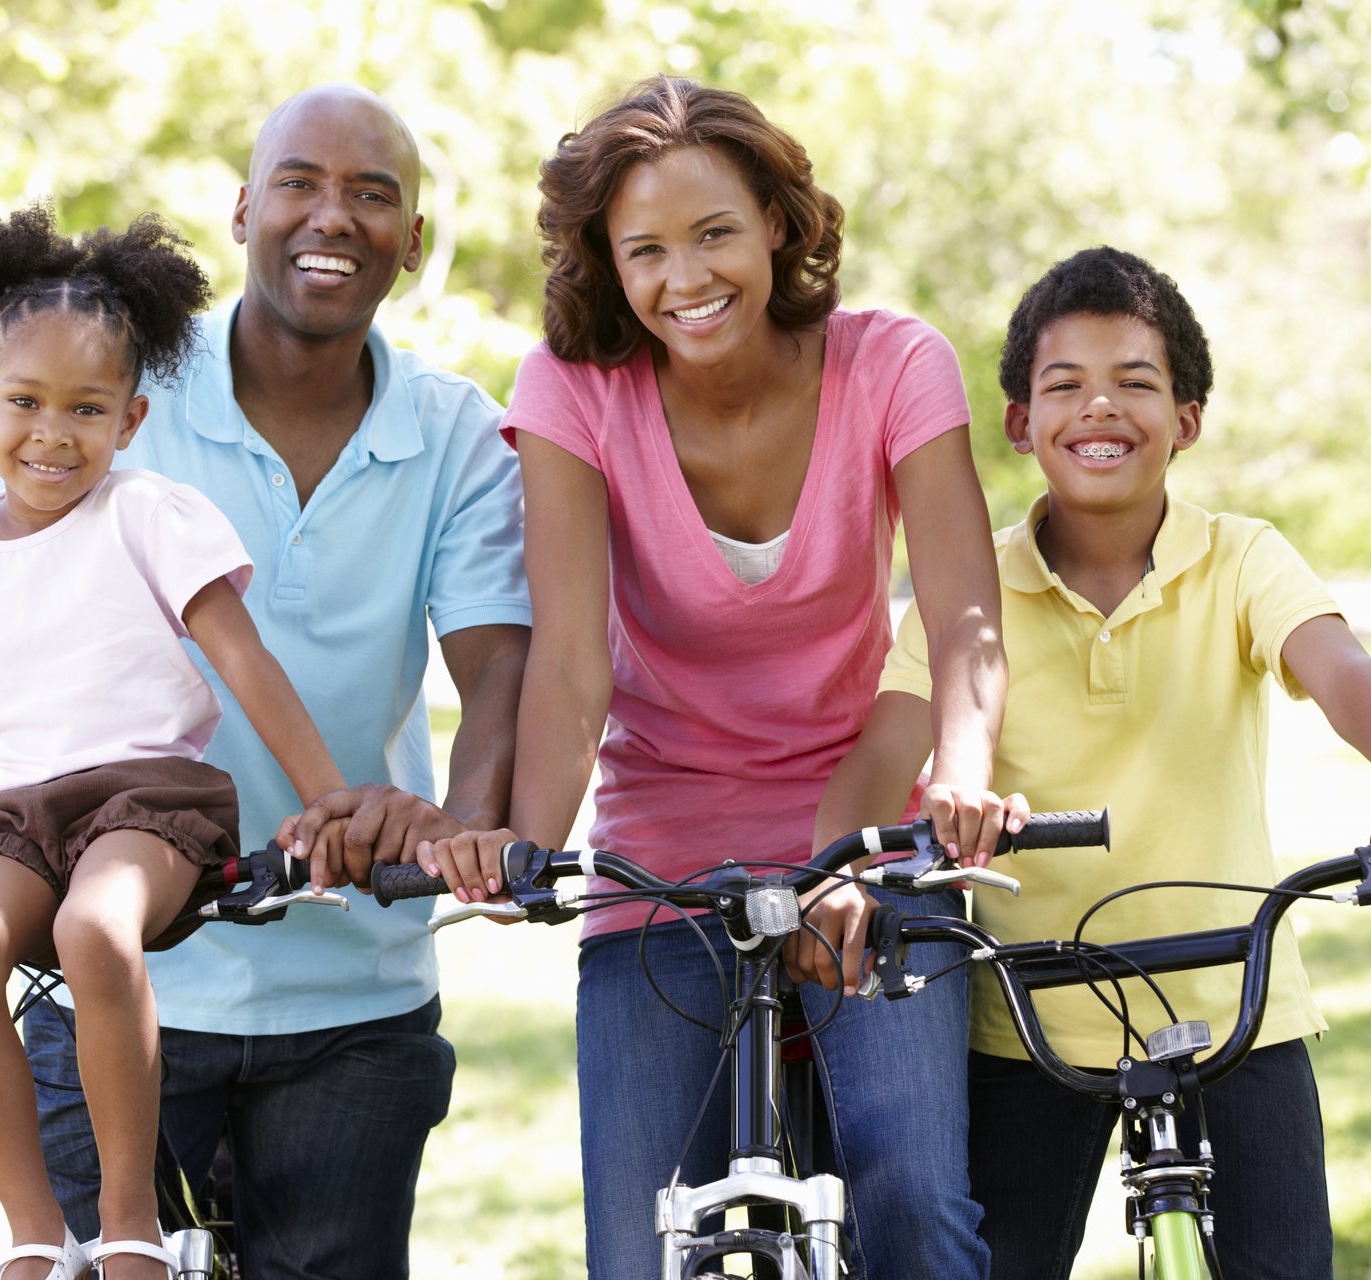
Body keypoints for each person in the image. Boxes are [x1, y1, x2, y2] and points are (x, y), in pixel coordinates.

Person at [0, 85, 530, 1280]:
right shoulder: (88, 374)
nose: (334, 216)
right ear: (244, 208)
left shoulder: (457, 432)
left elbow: (499, 664)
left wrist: (461, 831)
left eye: (375, 196)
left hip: (350, 978)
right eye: (300, 183)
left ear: (413, 243)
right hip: (109, 967)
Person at [407, 76, 1008, 1279]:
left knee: (919, 1214)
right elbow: (574, 661)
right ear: (608, 264)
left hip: (868, 837)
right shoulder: (573, 390)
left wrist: (966, 774)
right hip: (661, 849)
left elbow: (964, 618)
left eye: (715, 232)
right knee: (638, 1249)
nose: (687, 276)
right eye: (647, 250)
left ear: (779, 224)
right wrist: (527, 843)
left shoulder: (895, 364)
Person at [816, 245, 1371, 1279]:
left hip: (1237, 1004)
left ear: (1186, 418)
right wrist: (845, 861)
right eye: (1066, 385)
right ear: (1019, 421)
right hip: (1032, 1016)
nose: (1101, 407)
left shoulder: (1241, 557)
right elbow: (887, 746)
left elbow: (1346, 672)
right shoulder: (974, 584)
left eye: (1136, 382)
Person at [0, 204, 354, 1280]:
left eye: (86, 408)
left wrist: (327, 797)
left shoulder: (152, 515)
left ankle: (125, 1223)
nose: (52, 433)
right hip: (2, 815)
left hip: (142, 798)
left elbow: (245, 662)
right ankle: (32, 1228)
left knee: (95, 926)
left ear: (132, 418)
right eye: (23, 402)